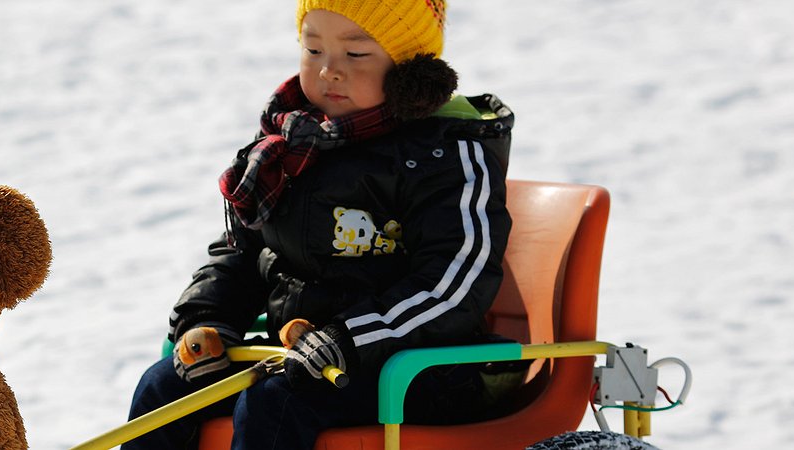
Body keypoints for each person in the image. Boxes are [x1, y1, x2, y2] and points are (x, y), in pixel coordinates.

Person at [124, 1, 519, 449]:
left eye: (355, 54)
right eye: (313, 50)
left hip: (416, 367)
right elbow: (245, 250)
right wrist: (208, 319)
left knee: (277, 401)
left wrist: (350, 337)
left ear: (409, 69)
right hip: (301, 357)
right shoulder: (291, 146)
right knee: (164, 386)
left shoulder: (447, 155)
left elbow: (453, 286)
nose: (330, 69)